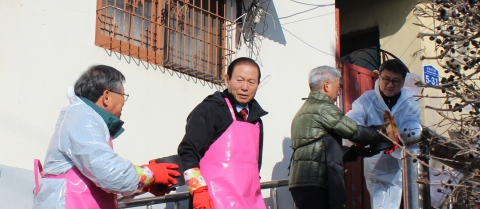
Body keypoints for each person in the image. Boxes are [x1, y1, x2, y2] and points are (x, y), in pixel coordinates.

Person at [33, 65, 181, 209]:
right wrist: (150, 174)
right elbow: (109, 172)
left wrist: (143, 185)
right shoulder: (84, 119)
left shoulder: (84, 117)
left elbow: (100, 183)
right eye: (123, 95)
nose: (124, 101)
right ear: (106, 96)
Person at [288, 66, 389, 209]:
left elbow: (322, 150)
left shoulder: (303, 111)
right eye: (338, 86)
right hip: (318, 182)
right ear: (327, 85)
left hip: (302, 182)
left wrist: (355, 152)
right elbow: (354, 131)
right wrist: (382, 132)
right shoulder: (323, 107)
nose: (339, 90)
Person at [177, 57, 268, 209]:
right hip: (213, 201)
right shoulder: (210, 110)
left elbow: (255, 165)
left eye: (251, 82)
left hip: (250, 202)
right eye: (239, 80)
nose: (245, 87)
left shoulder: (256, 120)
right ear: (227, 80)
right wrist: (199, 190)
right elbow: (187, 151)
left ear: (258, 84)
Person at [345, 59, 421, 209]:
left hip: (399, 161)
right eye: (386, 79)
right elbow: (352, 120)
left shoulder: (410, 102)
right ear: (379, 77)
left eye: (396, 81)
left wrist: (400, 138)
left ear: (403, 82)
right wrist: (358, 137)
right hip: (375, 162)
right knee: (378, 202)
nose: (390, 85)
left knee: (394, 200)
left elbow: (413, 126)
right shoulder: (367, 99)